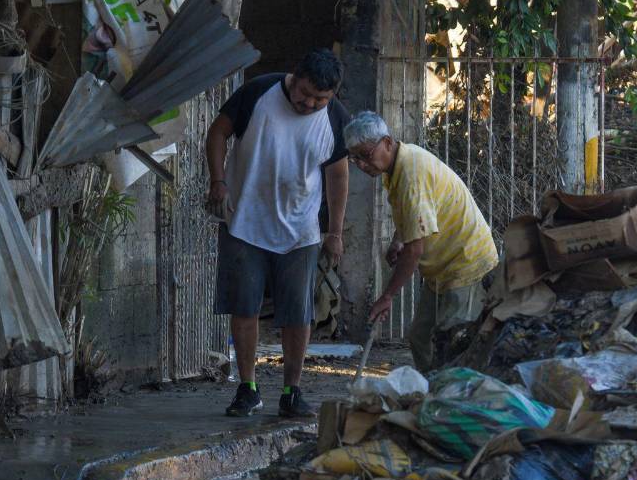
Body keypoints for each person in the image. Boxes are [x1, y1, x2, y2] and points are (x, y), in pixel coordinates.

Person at [205, 49, 350, 417]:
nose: (310, 104)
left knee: (298, 312)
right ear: (294, 77)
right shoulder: (259, 92)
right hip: (244, 221)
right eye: (305, 94)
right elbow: (218, 132)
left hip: (301, 229)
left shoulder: (334, 117)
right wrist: (218, 181)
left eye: (320, 99)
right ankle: (247, 388)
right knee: (244, 306)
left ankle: (292, 391)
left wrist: (335, 232)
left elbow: (337, 175)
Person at [343, 111, 497, 372]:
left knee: (453, 345)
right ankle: (434, 391)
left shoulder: (412, 174)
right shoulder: (396, 166)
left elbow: (415, 250)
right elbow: (413, 215)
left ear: (387, 143)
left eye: (365, 155)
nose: (361, 165)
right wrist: (398, 239)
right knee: (421, 338)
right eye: (354, 158)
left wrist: (387, 296)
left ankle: (454, 394)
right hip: (441, 269)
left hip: (466, 264)